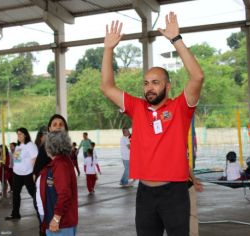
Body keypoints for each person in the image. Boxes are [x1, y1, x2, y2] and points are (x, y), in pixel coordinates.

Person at [101, 11, 204, 235]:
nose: (149, 87)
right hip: (145, 193)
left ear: (167, 87)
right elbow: (107, 87)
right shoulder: (137, 108)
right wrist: (108, 49)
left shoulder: (180, 108)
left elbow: (197, 77)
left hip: (175, 192)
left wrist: (176, 40)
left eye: (156, 82)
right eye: (146, 83)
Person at [38, 130, 78, 236]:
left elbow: (64, 193)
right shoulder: (59, 162)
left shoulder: (60, 164)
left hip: (61, 224)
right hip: (57, 222)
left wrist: (56, 218)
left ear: (51, 146)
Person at [5, 127, 38, 221]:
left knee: (33, 193)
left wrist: (34, 173)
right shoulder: (19, 146)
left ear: (25, 135)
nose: (18, 136)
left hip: (28, 174)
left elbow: (35, 159)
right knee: (15, 194)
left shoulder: (30, 145)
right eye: (17, 134)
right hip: (17, 174)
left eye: (20, 134)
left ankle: (41, 210)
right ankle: (15, 214)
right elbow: (17, 160)